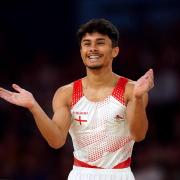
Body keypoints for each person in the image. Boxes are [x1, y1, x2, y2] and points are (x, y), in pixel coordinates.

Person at [0, 18, 154, 180]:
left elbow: (138, 135)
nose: (92, 49)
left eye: (100, 43)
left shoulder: (132, 90)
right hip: (80, 175)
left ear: (114, 51)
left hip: (119, 174)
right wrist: (33, 107)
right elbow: (57, 140)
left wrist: (137, 98)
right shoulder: (66, 93)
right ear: (81, 52)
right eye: (87, 44)